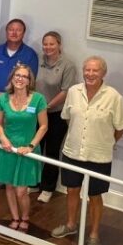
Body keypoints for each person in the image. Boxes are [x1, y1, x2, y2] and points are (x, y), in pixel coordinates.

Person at [51, 57, 123, 245]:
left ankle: (94, 234)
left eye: (95, 70)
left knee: (95, 196)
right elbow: (68, 119)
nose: (90, 74)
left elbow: (121, 126)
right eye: (87, 70)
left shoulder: (114, 97)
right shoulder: (74, 92)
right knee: (72, 191)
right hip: (73, 152)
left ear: (103, 73)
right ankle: (70, 225)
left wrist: (106, 142)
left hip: (99, 156)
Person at [0, 64, 48, 231]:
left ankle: (25, 217)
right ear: (12, 78)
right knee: (9, 186)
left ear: (30, 80)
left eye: (24, 76)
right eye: (17, 75)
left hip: (26, 150)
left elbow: (43, 126)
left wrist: (30, 146)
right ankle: (15, 217)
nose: (20, 79)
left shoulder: (38, 99)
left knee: (21, 190)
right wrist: (3, 139)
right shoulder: (3, 99)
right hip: (8, 149)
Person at [0, 17, 39, 190]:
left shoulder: (30, 55)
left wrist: (10, 99)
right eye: (11, 29)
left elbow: (30, 81)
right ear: (6, 32)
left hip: (19, 109)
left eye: (18, 30)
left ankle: (15, 178)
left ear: (23, 33)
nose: (14, 32)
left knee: (17, 143)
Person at [36, 31, 77, 203]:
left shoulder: (68, 65)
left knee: (51, 151)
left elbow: (66, 91)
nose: (48, 47)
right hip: (36, 113)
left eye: (52, 44)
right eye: (45, 44)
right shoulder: (38, 61)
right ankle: (33, 182)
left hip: (56, 115)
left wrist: (47, 106)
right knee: (35, 148)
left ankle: (47, 188)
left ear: (59, 45)